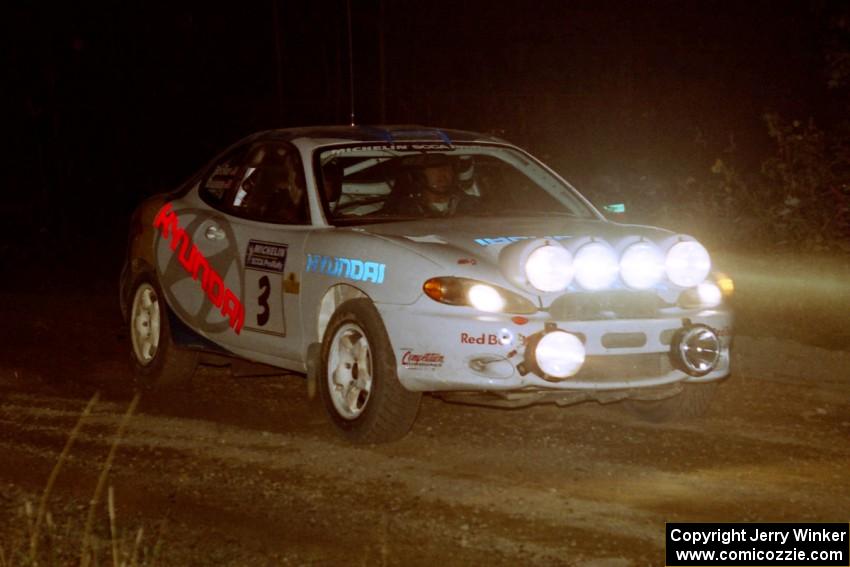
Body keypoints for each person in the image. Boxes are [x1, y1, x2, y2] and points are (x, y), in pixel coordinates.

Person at [384, 154, 476, 217]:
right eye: (434, 169)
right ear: (419, 175)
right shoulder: (400, 212)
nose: (443, 174)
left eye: (447, 168)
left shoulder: (475, 206)